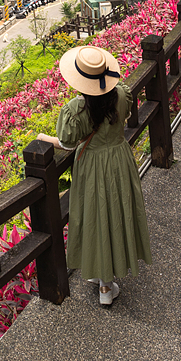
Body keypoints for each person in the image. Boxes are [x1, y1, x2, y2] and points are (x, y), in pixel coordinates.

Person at [37, 44, 151, 305]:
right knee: (117, 213)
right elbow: (124, 115)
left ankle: (104, 285)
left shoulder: (76, 109)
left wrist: (44, 138)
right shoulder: (121, 95)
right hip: (120, 159)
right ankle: (106, 279)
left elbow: (67, 142)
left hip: (92, 166)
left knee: (96, 216)